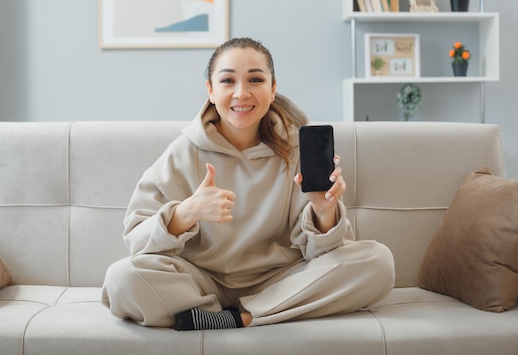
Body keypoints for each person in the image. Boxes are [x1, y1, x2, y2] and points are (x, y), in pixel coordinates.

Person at [101, 37, 395, 330]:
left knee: (378, 263)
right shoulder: (183, 152)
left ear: (273, 88)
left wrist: (323, 211)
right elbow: (137, 243)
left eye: (255, 79)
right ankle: (239, 313)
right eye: (228, 81)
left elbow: (326, 253)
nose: (241, 93)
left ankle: (239, 317)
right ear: (211, 91)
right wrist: (185, 213)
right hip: (202, 282)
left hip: (281, 281)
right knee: (121, 279)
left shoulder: (296, 150)